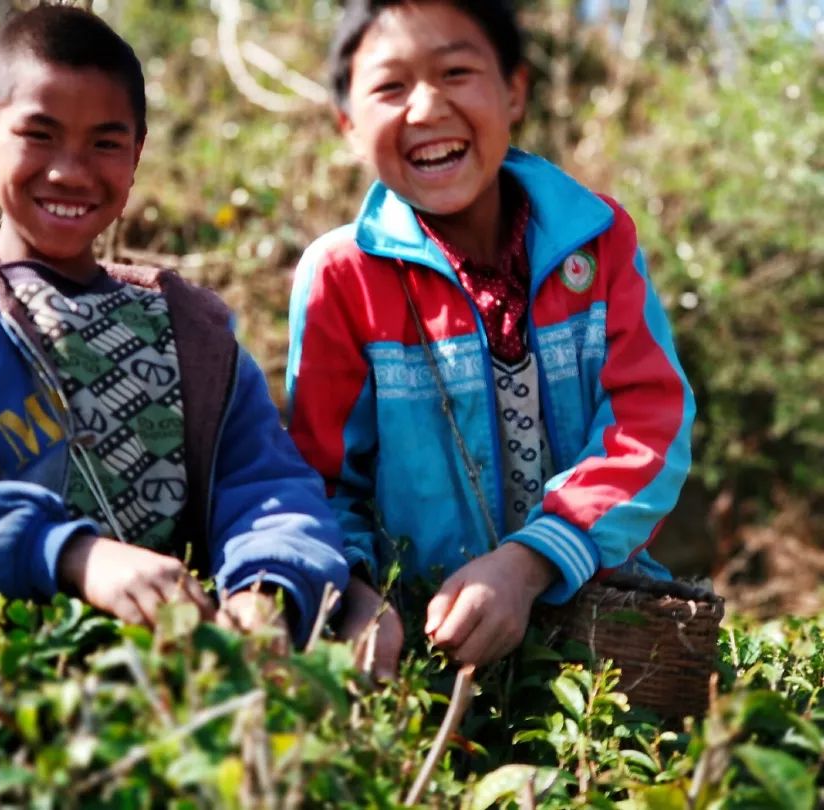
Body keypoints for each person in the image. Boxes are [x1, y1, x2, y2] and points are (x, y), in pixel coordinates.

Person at [0, 5, 348, 647]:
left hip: (175, 675)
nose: (70, 171)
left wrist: (267, 590)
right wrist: (74, 555)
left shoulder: (196, 339)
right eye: (39, 134)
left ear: (136, 155)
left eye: (105, 143)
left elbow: (270, 487)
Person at [286, 0, 694, 676]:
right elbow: (317, 481)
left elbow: (649, 423)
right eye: (390, 87)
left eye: (456, 72)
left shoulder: (599, 240)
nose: (426, 108)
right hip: (418, 652)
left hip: (599, 647)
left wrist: (531, 562)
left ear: (514, 92)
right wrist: (356, 597)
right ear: (349, 125)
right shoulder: (340, 276)